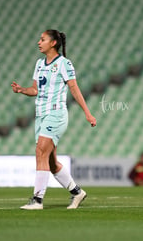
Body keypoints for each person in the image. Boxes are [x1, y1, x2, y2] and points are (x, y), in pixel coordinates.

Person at [12, 29, 97, 210]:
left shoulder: (64, 64)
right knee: (50, 162)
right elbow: (35, 90)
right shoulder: (39, 64)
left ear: (53, 43)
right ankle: (77, 192)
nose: (38, 42)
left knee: (40, 151)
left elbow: (74, 89)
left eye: (42, 39)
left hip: (56, 114)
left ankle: (37, 200)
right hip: (41, 115)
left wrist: (87, 113)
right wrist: (22, 90)